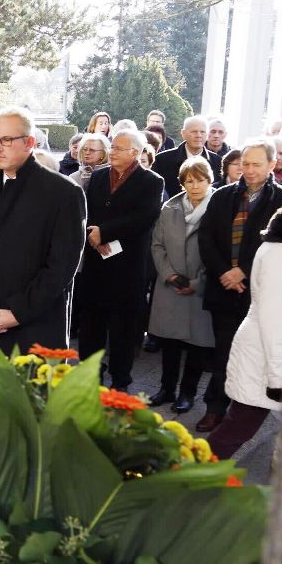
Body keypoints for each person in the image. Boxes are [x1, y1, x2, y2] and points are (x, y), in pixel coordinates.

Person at [0, 107, 87, 353]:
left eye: (7, 140)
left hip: (34, 329)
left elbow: (62, 267)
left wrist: (17, 313)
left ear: (30, 142)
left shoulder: (64, 193)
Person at [196, 138, 282, 433]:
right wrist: (225, 272)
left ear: (273, 165)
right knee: (222, 352)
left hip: (257, 293)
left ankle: (244, 412)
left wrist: (242, 273)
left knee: (252, 357)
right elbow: (206, 238)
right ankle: (215, 408)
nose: (247, 170)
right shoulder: (222, 196)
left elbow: (276, 249)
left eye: (256, 164)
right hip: (223, 289)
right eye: (244, 164)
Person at [74, 129, 164, 390]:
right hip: (96, 264)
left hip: (127, 267)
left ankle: (121, 380)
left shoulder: (151, 181)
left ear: (135, 152)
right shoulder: (100, 176)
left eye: (118, 148)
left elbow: (144, 218)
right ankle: (91, 374)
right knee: (91, 326)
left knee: (123, 329)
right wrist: (93, 233)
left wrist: (107, 233)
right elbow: (88, 209)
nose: (111, 152)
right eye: (111, 147)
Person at [208, 206, 282, 458]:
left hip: (270, 355)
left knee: (237, 428)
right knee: (236, 429)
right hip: (266, 359)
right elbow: (276, 319)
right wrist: (277, 380)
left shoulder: (281, 245)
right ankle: (184, 481)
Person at [148, 157, 216, 414]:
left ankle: (187, 393)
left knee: (197, 344)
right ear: (182, 183)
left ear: (210, 181)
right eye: (189, 180)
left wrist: (197, 283)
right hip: (171, 286)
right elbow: (157, 245)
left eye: (200, 180)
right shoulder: (170, 207)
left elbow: (221, 252)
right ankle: (166, 389)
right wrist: (169, 275)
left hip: (201, 288)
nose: (195, 185)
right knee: (170, 343)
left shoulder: (219, 207)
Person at [152, 115, 222, 198]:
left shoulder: (217, 162)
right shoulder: (162, 160)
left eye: (202, 132)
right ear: (183, 134)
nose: (198, 135)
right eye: (194, 131)